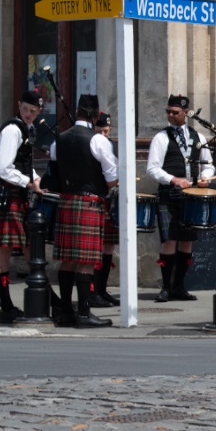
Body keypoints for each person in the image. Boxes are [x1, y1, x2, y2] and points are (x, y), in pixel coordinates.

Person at [47, 94, 120, 328]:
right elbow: (112, 179)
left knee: (67, 260)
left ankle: (66, 311)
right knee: (87, 261)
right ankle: (84, 313)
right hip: (89, 203)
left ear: (77, 112)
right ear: (96, 115)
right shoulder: (99, 141)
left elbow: (53, 175)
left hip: (66, 202)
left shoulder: (58, 140)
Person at [0, 88, 44, 321]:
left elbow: (23, 162)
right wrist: (28, 182)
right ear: (19, 105)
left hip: (17, 194)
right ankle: (7, 304)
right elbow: (3, 167)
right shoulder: (12, 130)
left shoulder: (27, 128)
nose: (28, 114)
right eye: (25, 109)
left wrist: (36, 178)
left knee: (21, 247)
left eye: (33, 111)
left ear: (39, 111)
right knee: (3, 248)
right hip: (8, 195)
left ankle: (39, 297)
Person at [146, 94, 215, 302]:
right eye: (168, 111)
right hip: (169, 195)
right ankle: (166, 287)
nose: (170, 115)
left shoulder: (198, 137)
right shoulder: (161, 137)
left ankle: (179, 287)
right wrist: (173, 179)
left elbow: (208, 164)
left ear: (186, 113)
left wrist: (205, 177)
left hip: (191, 197)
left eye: (175, 112)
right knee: (169, 241)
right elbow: (152, 168)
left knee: (187, 242)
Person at [88, 110, 121, 308]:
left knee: (108, 246)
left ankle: (101, 289)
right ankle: (92, 291)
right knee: (95, 247)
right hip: (95, 199)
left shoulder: (113, 146)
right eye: (99, 131)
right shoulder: (89, 145)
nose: (103, 135)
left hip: (110, 201)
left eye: (106, 131)